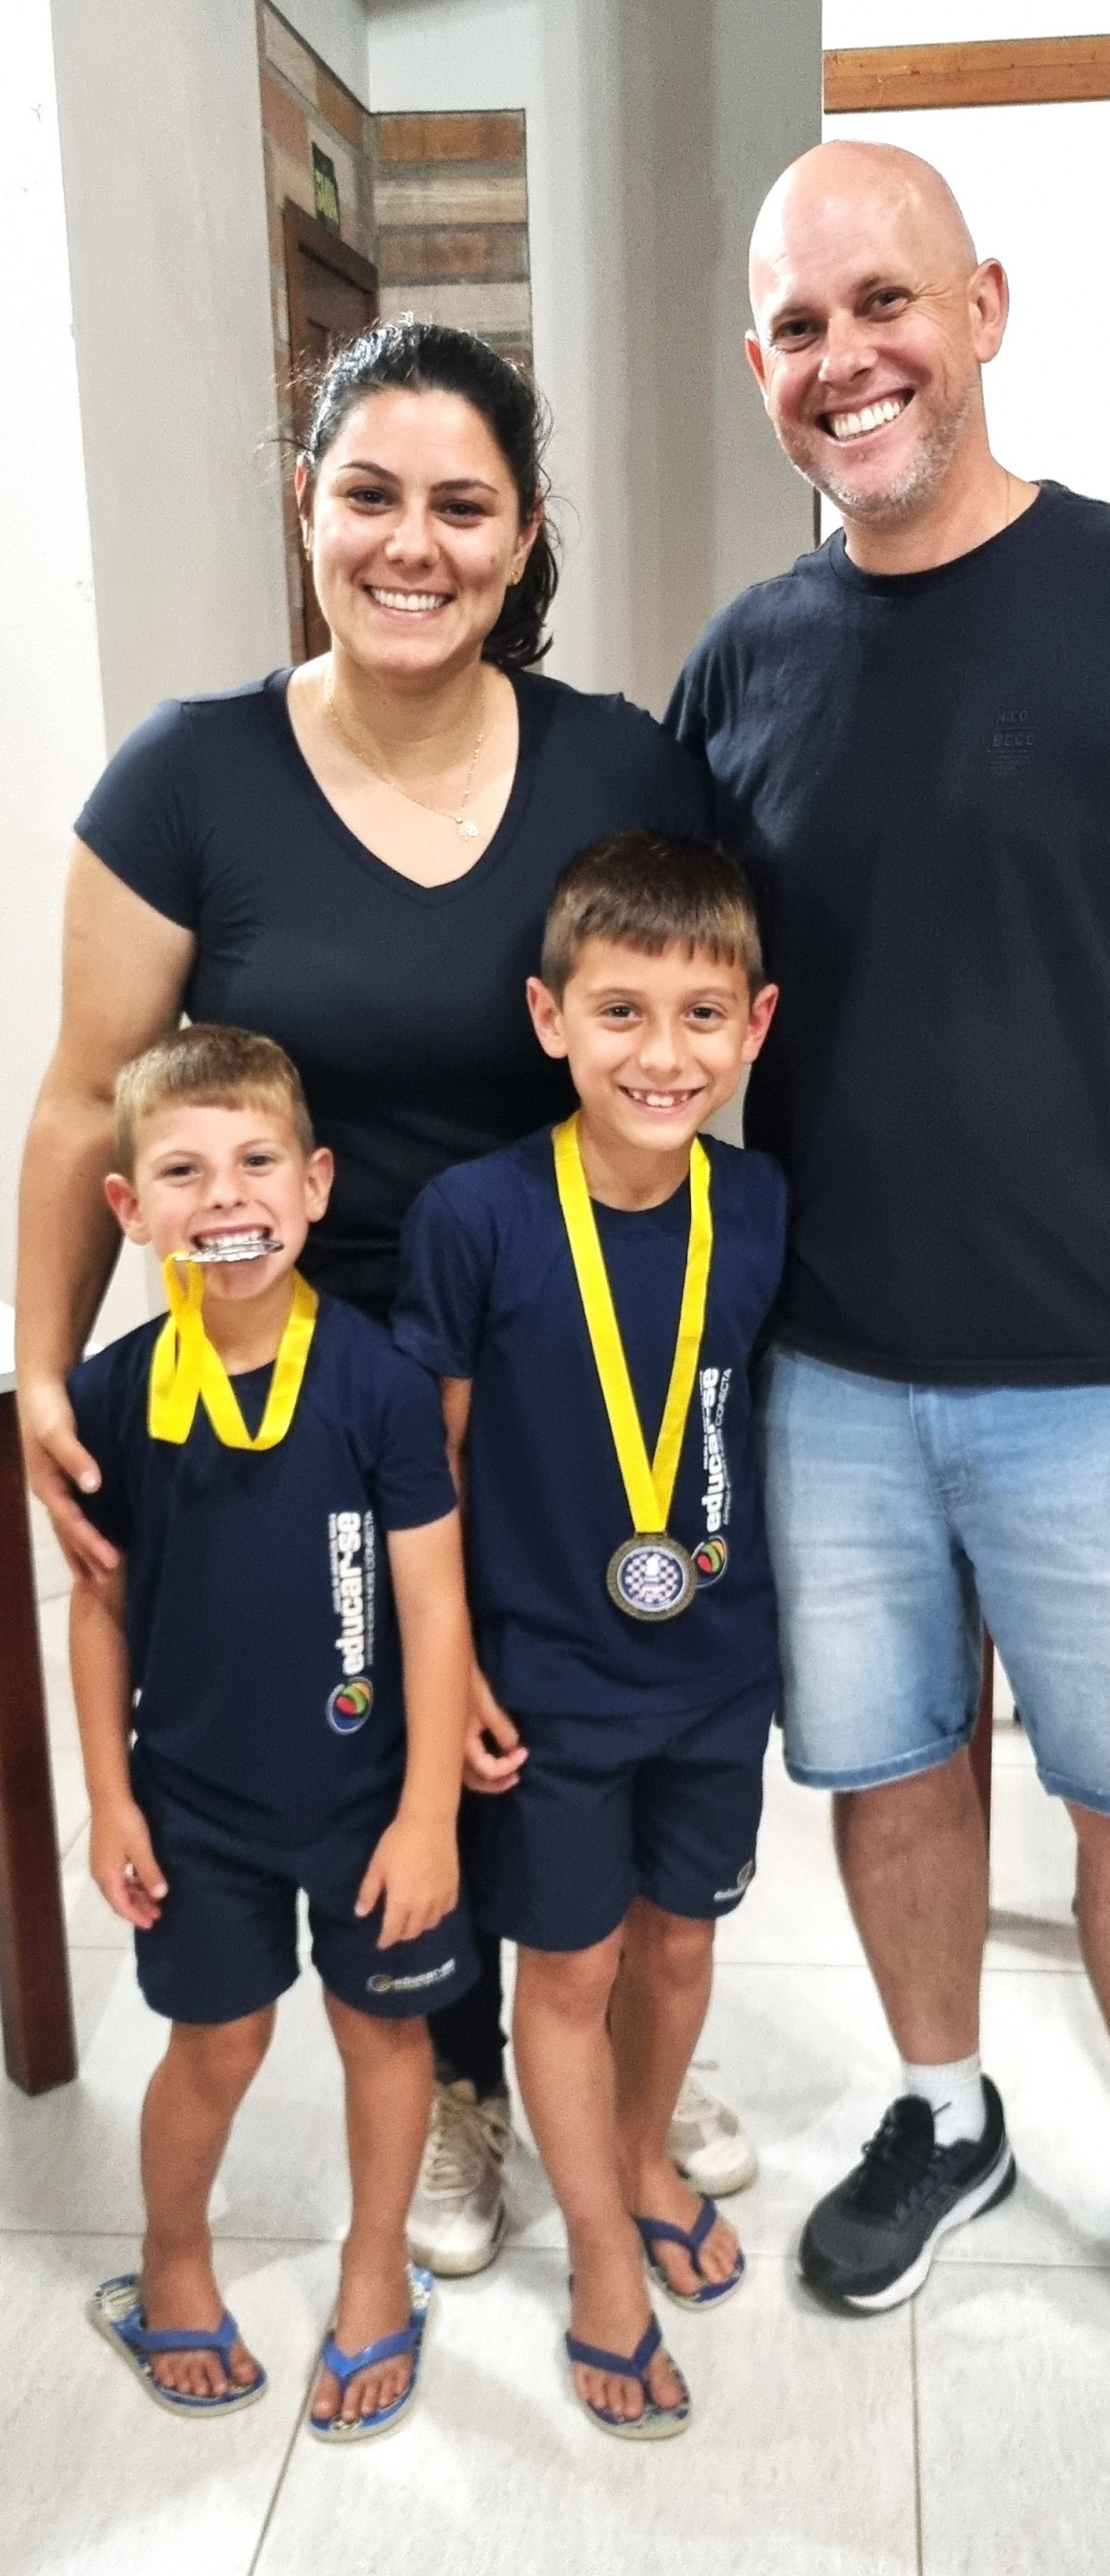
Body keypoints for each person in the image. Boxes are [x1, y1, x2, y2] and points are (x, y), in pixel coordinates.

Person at [667, 140, 1110, 2424]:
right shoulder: (742, 664)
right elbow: (665, 997)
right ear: (757, 367)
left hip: (1109, 1369)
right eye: (797, 326)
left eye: (886, 302)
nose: (844, 359)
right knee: (890, 1772)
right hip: (829, 1372)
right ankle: (944, 2112)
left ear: (984, 307)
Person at [16, 317, 754, 2277]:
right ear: (305, 506)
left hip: (564, 1351)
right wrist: (40, 1366)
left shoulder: (619, 763)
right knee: (374, 1725)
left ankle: (603, 2046)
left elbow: (682, 1012)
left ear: (524, 536)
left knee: (563, 1706)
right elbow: (84, 1097)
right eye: (368, 495)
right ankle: (458, 2076)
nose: (411, 544)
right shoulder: (187, 778)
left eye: (461, 505)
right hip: (305, 1368)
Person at [392, 834, 783, 2436]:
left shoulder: (760, 1204)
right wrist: (456, 1671)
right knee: (570, 1967)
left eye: (702, 1015)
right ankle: (605, 2258)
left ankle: (635, 2154)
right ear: (550, 1017)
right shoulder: (473, 1216)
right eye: (621, 1011)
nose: (662, 1054)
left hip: (717, 1668)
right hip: (546, 1680)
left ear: (755, 1026)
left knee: (680, 1944)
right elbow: (432, 1466)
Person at [69, 1027, 471, 2438]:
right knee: (217, 2047)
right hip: (193, 1807)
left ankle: (376, 2268)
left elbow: (432, 1606)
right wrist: (111, 1800)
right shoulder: (113, 1395)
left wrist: (429, 1812)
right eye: (181, 1171)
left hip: (369, 1804)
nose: (225, 1195)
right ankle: (169, 2257)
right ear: (130, 1207)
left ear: (315, 1185)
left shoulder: (377, 1381)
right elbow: (99, 1609)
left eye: (255, 1161)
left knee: (385, 2038)